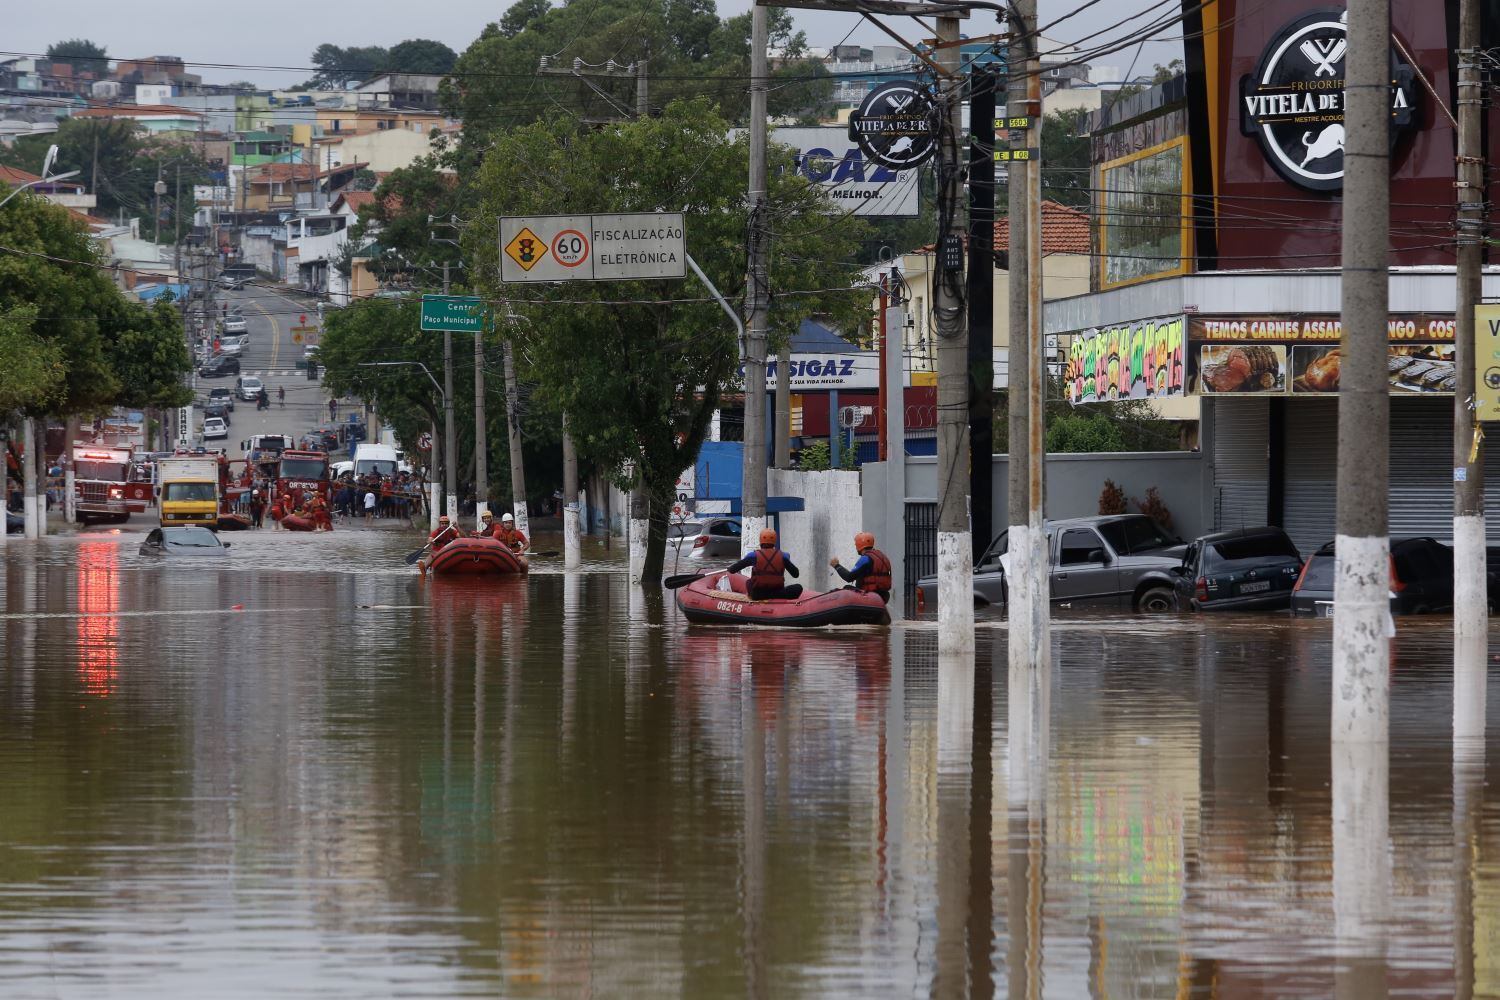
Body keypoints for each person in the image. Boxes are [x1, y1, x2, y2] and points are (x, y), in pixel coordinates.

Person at [727, 528, 802, 601]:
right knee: (798, 587)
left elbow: (733, 570)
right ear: (774, 542)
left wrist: (729, 569)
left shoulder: (753, 555)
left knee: (748, 582)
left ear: (760, 541)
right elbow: (796, 574)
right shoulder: (783, 556)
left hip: (758, 595)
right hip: (778, 592)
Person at [830, 531, 893, 604]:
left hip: (869, 596)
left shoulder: (866, 558)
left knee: (846, 588)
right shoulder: (883, 557)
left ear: (859, 545)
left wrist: (836, 566)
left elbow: (849, 577)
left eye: (856, 545)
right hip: (883, 597)